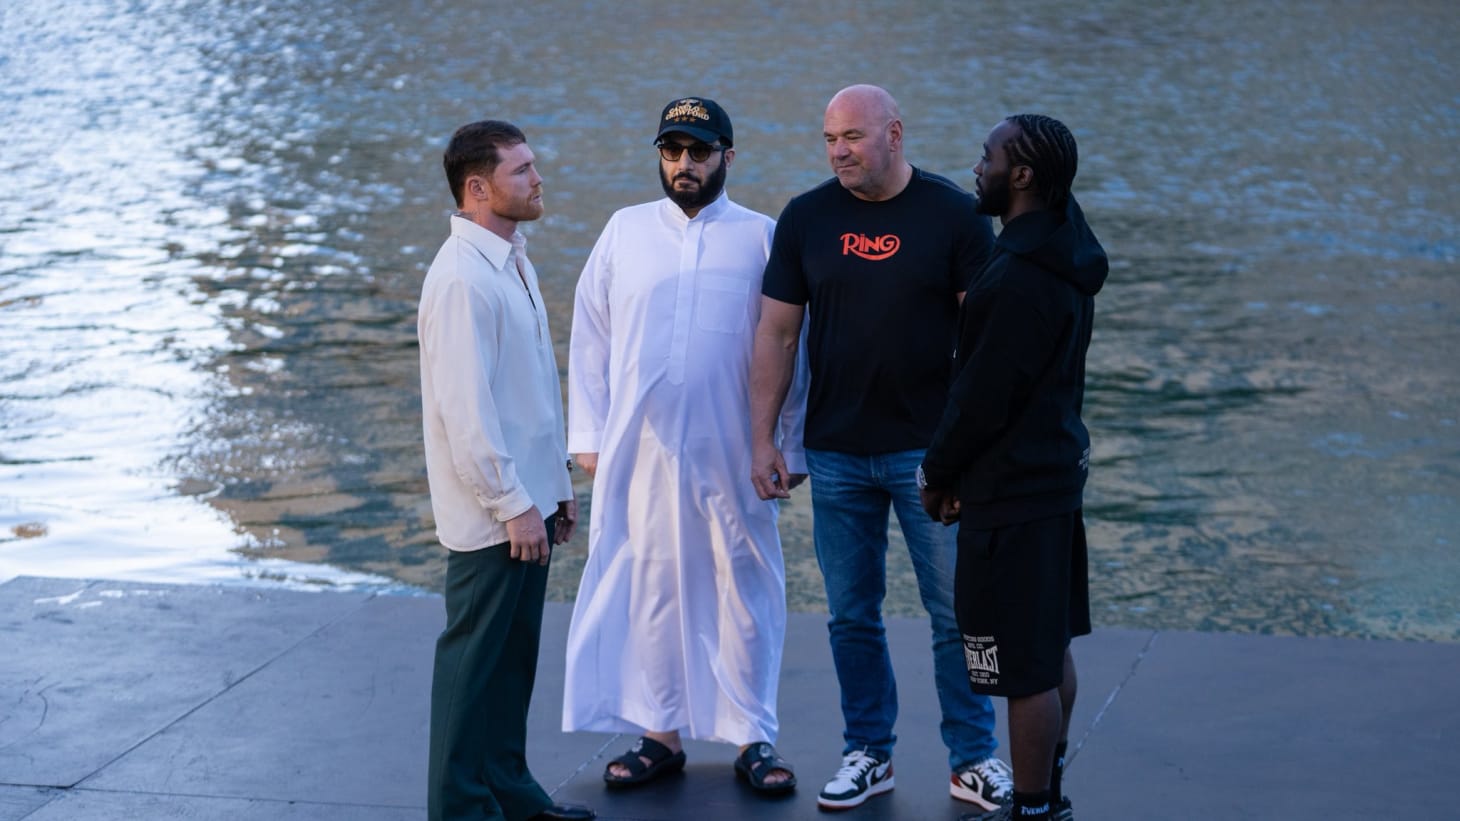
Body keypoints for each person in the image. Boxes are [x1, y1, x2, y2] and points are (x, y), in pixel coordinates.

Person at [749, 84, 1013, 813]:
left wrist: (974, 451)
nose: (838, 151)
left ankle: (973, 758)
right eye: (829, 138)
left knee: (956, 613)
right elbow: (776, 333)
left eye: (853, 137)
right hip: (835, 452)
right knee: (850, 615)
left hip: (930, 456)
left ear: (894, 134)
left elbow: (987, 341)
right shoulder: (806, 218)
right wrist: (763, 438)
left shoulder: (954, 214)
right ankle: (868, 753)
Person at [562, 96, 808, 795]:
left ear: (728, 155)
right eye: (672, 151)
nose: (684, 164)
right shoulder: (624, 230)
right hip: (638, 450)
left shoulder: (762, 237)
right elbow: (590, 336)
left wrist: (789, 445)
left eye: (698, 151)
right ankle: (659, 734)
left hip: (737, 448)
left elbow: (793, 347)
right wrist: (590, 438)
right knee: (651, 584)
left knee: (745, 584)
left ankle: (753, 736)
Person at [917, 114, 1107, 821]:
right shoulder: (1065, 246)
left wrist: (937, 474)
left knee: (1023, 670)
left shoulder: (1015, 278)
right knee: (1048, 649)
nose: (977, 167)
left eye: (988, 157)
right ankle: (1048, 795)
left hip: (1012, 496)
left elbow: (981, 398)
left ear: (1021, 175)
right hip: (1053, 480)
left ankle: (1030, 808)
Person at [418, 119, 594, 821]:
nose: (538, 178)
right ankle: (459, 809)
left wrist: (555, 486)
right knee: (471, 668)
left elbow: (530, 390)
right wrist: (514, 503)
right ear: (478, 189)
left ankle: (509, 793)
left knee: (512, 663)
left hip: (529, 501)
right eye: (521, 170)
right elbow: (467, 414)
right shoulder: (461, 280)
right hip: (495, 514)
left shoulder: (513, 259)